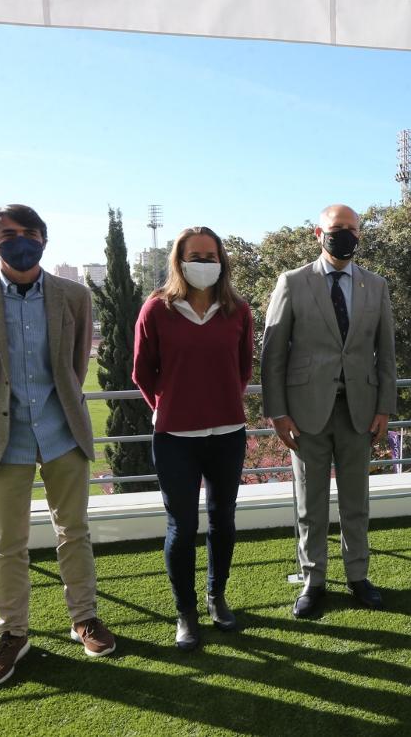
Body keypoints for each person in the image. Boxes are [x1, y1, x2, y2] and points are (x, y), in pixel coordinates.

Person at [0, 204, 115, 688]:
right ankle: (13, 633)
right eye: (8, 233)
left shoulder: (74, 296)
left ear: (44, 238)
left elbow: (75, 365)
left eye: (29, 232)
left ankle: (84, 618)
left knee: (74, 530)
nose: (21, 240)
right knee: (7, 545)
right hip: (2, 437)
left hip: (62, 431)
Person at [261, 204, 397, 618]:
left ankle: (358, 575)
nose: (347, 236)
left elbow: (385, 354)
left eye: (353, 230)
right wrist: (278, 413)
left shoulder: (376, 286)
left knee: (357, 500)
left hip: (359, 410)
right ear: (318, 232)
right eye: (338, 229)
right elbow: (273, 356)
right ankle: (312, 579)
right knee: (310, 502)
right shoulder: (293, 282)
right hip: (306, 414)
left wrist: (384, 408)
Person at [132, 226, 254, 651]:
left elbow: (243, 369)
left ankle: (216, 597)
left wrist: (218, 403)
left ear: (222, 260)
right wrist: (169, 407)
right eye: (194, 255)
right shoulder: (156, 309)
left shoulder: (237, 310)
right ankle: (186, 612)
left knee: (223, 521)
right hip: (175, 438)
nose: (203, 263)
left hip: (227, 434)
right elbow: (142, 372)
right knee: (181, 527)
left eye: (210, 255)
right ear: (179, 260)